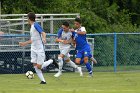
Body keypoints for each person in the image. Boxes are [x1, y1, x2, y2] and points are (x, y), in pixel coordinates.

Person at [19, 12, 56, 84]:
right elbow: (33, 39)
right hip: (33, 48)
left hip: (39, 48)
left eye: (27, 18)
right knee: (35, 65)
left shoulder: (35, 25)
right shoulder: (32, 27)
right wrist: (24, 43)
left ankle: (51, 61)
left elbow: (43, 33)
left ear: (29, 18)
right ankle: (43, 81)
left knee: (39, 66)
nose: (27, 19)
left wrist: (44, 38)